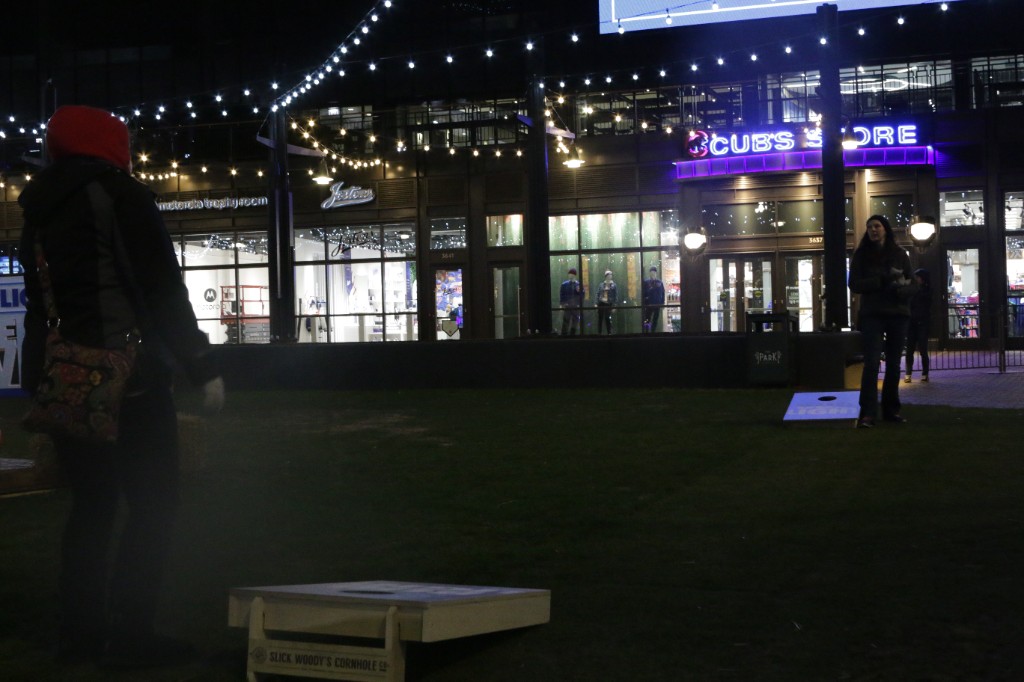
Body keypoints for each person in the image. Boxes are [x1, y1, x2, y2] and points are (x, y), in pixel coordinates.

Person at [18, 105, 226, 668]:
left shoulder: (36, 210)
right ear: (113, 144)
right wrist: (200, 364)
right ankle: (132, 635)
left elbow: (40, 307)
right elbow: (161, 286)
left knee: (91, 508)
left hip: (65, 380)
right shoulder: (122, 195)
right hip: (129, 379)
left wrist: (41, 378)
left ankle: (79, 639)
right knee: (154, 504)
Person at [848, 214, 918, 428]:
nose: (873, 230)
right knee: (871, 364)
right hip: (873, 315)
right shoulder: (861, 255)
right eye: (869, 227)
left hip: (897, 314)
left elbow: (913, 283)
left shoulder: (899, 254)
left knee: (894, 366)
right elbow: (854, 284)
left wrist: (903, 291)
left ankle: (890, 410)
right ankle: (868, 413)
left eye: (877, 226)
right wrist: (880, 281)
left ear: (885, 229)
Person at [905, 268, 932, 383]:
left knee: (922, 349)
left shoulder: (925, 290)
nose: (916, 280)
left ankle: (923, 373)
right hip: (915, 322)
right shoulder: (921, 290)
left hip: (918, 322)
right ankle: (909, 373)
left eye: (917, 277)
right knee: (911, 349)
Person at [559, 267, 583, 336]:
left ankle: (572, 335)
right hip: (568, 306)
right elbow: (562, 295)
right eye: (569, 274)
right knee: (566, 321)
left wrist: (579, 292)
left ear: (575, 275)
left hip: (575, 306)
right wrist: (561, 304)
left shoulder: (578, 285)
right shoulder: (564, 284)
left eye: (572, 274)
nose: (570, 275)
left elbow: (582, 295)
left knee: (574, 322)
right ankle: (564, 335)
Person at [642, 266, 666, 333]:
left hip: (657, 303)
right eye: (651, 272)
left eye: (654, 272)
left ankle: (653, 331)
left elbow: (663, 292)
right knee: (647, 319)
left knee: (655, 319)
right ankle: (647, 331)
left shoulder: (659, 282)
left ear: (656, 273)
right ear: (649, 273)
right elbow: (644, 293)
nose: (653, 274)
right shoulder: (646, 282)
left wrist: (662, 302)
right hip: (648, 304)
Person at [596, 270, 617, 334]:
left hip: (608, 304)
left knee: (608, 318)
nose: (610, 276)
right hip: (601, 303)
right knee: (600, 319)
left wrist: (614, 306)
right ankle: (599, 333)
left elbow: (615, 295)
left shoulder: (613, 285)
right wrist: (596, 303)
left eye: (610, 275)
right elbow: (598, 293)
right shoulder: (601, 285)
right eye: (608, 275)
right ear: (606, 276)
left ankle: (609, 332)